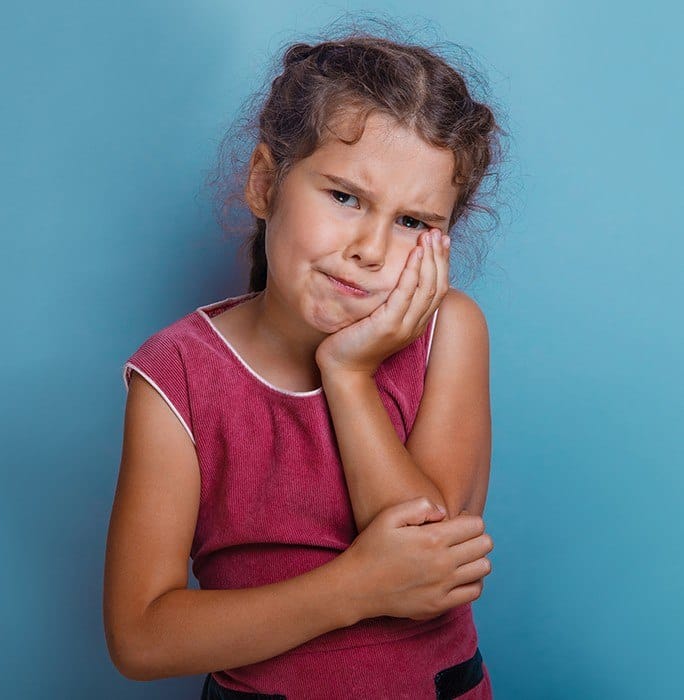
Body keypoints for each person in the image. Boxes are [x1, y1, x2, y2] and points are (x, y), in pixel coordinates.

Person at [104, 28, 504, 700]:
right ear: (266, 182)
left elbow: (430, 570)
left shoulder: (450, 332)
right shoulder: (176, 376)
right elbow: (141, 637)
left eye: (412, 222)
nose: (370, 249)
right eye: (345, 197)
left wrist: (347, 375)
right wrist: (354, 588)